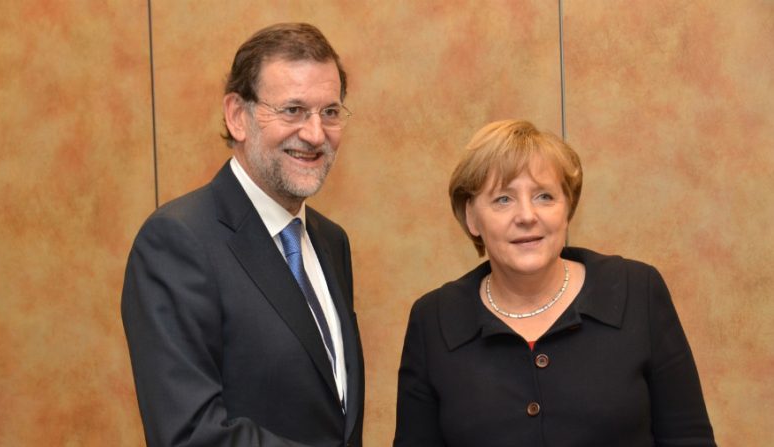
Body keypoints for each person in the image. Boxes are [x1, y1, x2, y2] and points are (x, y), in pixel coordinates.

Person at [393, 120, 715, 446]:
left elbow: (688, 438)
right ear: (472, 217)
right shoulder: (434, 320)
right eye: (503, 199)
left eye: (544, 196)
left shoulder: (636, 292)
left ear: (567, 209)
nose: (527, 216)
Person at [122, 23, 363, 447]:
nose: (314, 134)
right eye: (292, 110)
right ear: (238, 116)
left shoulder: (331, 242)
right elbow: (189, 435)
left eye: (329, 111)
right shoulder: (177, 242)